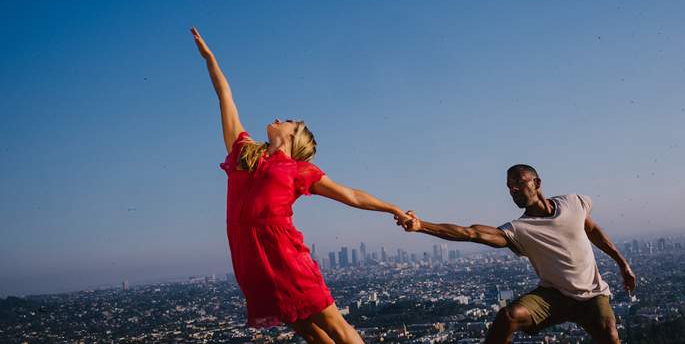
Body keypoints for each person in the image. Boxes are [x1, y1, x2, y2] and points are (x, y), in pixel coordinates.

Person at [191, 27, 410, 344]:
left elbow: (350, 195)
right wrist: (210, 59)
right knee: (309, 332)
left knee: (335, 326)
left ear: (294, 137)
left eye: (287, 121)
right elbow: (224, 95)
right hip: (251, 258)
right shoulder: (242, 152)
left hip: (286, 255)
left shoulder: (297, 170)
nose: (279, 118)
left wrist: (392, 208)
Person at [398, 164, 636, 344]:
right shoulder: (518, 230)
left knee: (611, 337)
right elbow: (470, 233)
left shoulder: (574, 203)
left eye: (518, 183)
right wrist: (422, 226)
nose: (513, 189)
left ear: (537, 183)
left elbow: (592, 230)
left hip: (592, 295)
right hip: (553, 297)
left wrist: (622, 264)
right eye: (509, 187)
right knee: (509, 316)